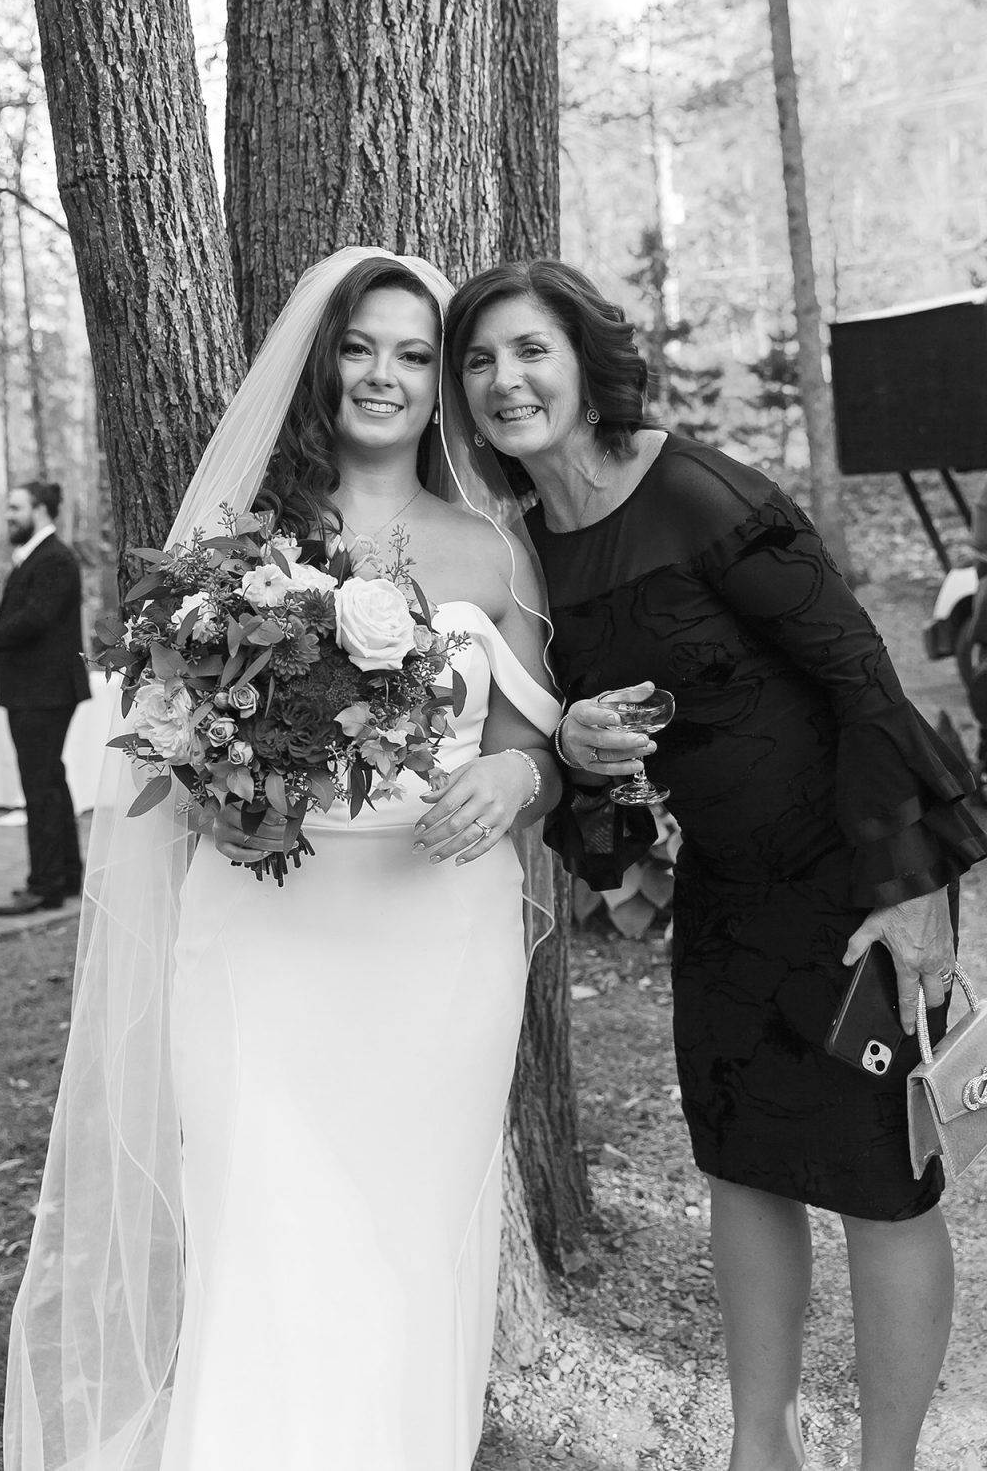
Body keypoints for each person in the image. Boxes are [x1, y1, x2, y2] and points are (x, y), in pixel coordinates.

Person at [5, 250, 562, 1471]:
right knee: (261, 1224)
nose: (383, 375)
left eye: (413, 354)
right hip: (260, 940)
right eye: (359, 348)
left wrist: (515, 779)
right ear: (323, 365)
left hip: (438, 948)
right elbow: (166, 732)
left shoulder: (494, 548)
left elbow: (538, 746)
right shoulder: (237, 544)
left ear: (442, 382)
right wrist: (217, 800)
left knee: (407, 1239)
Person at [444, 258, 987, 1471]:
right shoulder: (525, 553)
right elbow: (578, 745)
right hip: (726, 903)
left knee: (884, 1182)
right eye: (478, 360)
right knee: (742, 1169)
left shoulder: (693, 490)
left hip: (850, 885)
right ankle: (759, 1447)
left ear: (586, 365)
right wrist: (581, 749)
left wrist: (911, 887)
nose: (505, 380)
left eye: (530, 350)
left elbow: (859, 675)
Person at [0, 481, 89, 916]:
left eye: (15, 507)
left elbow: (33, 620)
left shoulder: (54, 559)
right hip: (36, 690)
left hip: (43, 691)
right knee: (50, 780)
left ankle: (45, 885)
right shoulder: (38, 556)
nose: (8, 515)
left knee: (40, 785)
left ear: (40, 509)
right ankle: (65, 874)